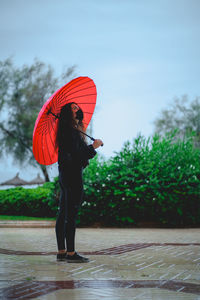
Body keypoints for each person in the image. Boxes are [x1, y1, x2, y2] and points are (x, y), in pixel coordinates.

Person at [55, 102, 103, 262]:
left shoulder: (70, 130)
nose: (78, 109)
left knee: (63, 212)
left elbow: (76, 153)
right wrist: (93, 147)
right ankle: (71, 253)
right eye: (74, 108)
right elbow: (78, 155)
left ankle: (62, 252)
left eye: (77, 107)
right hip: (72, 174)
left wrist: (89, 147)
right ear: (68, 113)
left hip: (66, 174)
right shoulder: (70, 131)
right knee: (71, 213)